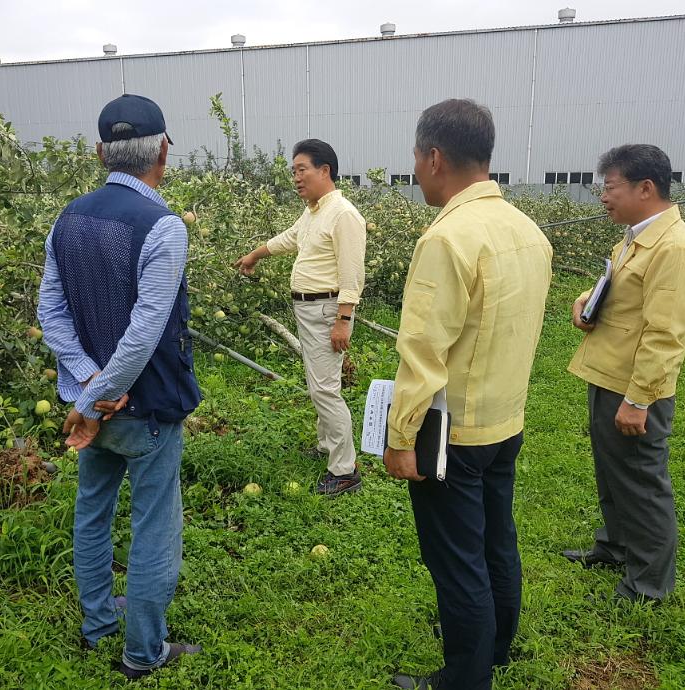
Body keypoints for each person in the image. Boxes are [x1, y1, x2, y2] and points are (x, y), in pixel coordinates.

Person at [384, 99, 552, 690]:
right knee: (496, 538)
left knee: (457, 561)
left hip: (451, 431)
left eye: (414, 158)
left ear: (434, 157)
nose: (416, 169)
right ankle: (497, 646)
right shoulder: (526, 230)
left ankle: (464, 677)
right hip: (505, 419)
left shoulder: (449, 238)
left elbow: (423, 350)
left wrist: (401, 436)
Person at [37, 94, 202, 680]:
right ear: (162, 151)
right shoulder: (163, 226)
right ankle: (143, 652)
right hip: (146, 404)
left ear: (100, 151)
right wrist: (103, 392)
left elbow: (50, 312)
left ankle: (99, 623)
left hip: (92, 408)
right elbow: (144, 332)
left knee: (92, 511)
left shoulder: (69, 217)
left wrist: (84, 389)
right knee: (155, 522)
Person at [563, 144, 685, 604]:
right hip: (610, 373)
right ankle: (617, 546)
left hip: (633, 386)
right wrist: (586, 301)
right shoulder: (635, 236)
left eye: (609, 188)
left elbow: (665, 333)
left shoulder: (675, 248)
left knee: (642, 482)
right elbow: (620, 287)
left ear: (646, 188)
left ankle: (647, 586)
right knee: (613, 471)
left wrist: (639, 399)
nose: (602, 197)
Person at [234, 139, 367, 496]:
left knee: (325, 388)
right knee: (318, 383)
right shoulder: (314, 212)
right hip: (310, 309)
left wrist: (343, 318)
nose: (296, 177)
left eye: (302, 169)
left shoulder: (343, 215)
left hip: (327, 309)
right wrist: (255, 254)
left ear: (325, 171)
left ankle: (345, 469)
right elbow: (289, 239)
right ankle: (327, 445)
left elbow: (352, 273)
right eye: (293, 171)